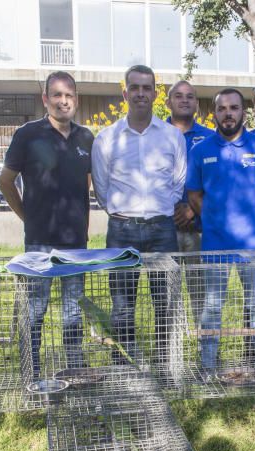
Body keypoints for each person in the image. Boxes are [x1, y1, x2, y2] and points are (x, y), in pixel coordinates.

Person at [0, 70, 94, 379]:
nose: (63, 101)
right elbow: (5, 181)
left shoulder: (85, 137)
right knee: (35, 312)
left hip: (76, 245)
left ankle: (76, 372)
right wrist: (28, 216)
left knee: (72, 313)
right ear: (45, 99)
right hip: (39, 244)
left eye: (69, 95)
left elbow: (87, 184)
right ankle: (31, 374)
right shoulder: (27, 135)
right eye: (57, 95)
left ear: (76, 100)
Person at [91, 65, 187, 367]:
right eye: (135, 88)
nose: (141, 93)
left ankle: (164, 363)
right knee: (122, 304)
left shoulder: (172, 137)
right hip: (122, 229)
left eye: (147, 88)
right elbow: (101, 188)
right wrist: (123, 213)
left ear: (156, 94)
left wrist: (157, 211)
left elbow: (178, 183)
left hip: (162, 228)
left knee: (165, 301)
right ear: (125, 93)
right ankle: (125, 366)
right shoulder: (106, 139)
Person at [186, 88, 255, 376]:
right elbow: (194, 195)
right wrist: (216, 221)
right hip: (215, 245)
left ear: (244, 112)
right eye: (222, 108)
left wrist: (253, 223)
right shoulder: (200, 150)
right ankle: (208, 367)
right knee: (212, 308)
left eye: (234, 108)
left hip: (252, 247)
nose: (228, 113)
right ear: (214, 113)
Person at [166, 80, 215, 253]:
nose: (184, 100)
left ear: (197, 104)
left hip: (200, 228)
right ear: (168, 102)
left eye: (190, 96)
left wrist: (193, 209)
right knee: (169, 280)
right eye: (178, 96)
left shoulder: (211, 138)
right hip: (165, 229)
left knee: (199, 280)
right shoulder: (156, 135)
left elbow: (217, 181)